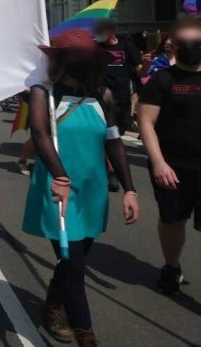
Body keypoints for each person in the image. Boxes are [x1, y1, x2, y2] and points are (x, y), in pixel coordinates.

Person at [22, 30, 138, 346]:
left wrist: (130, 189)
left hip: (92, 191)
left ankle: (53, 302)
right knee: (74, 265)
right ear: (61, 59)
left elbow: (113, 142)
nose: (85, 60)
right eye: (78, 54)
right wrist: (60, 177)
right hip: (57, 189)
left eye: (90, 55)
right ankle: (85, 334)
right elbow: (40, 135)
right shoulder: (43, 93)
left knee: (74, 261)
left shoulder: (103, 95)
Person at [137, 18, 201, 296]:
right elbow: (145, 122)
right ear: (174, 45)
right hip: (172, 168)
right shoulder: (161, 80)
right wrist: (159, 162)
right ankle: (171, 266)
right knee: (173, 220)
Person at [94, 19, 143, 184]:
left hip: (122, 96)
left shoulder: (126, 45)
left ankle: (108, 165)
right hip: (102, 95)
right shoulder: (96, 47)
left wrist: (146, 65)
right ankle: (110, 170)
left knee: (117, 132)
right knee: (106, 132)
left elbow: (138, 69)